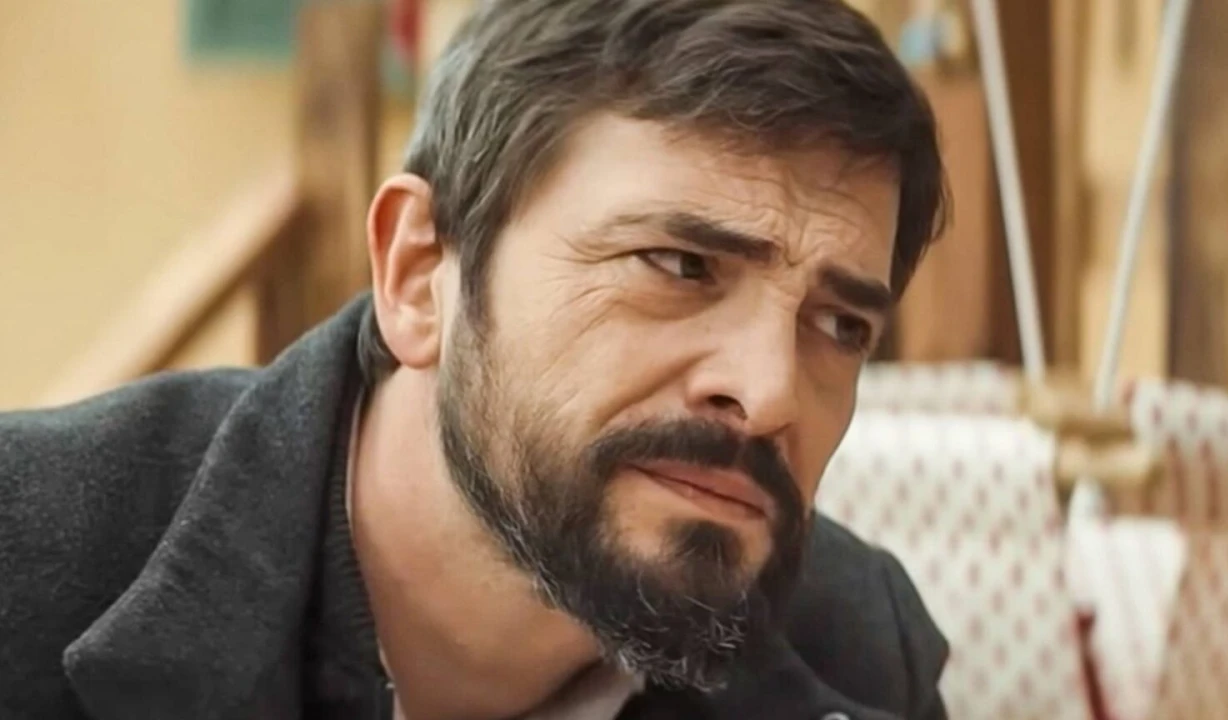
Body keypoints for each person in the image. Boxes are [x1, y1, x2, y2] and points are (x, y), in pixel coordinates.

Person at [0, 0, 951, 718]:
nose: (770, 391)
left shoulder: (858, 647)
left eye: (840, 326)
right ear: (419, 275)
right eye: (680, 265)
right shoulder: (27, 562)